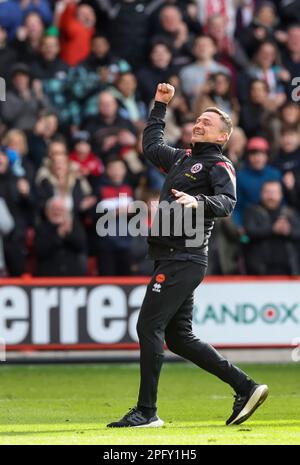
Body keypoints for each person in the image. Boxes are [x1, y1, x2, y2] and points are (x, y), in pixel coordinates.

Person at [107, 82, 268, 428]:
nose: (199, 124)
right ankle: (246, 386)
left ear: (223, 136)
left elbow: (227, 203)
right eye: (198, 120)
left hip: (185, 257)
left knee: (148, 325)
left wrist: (198, 202)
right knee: (178, 337)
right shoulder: (184, 158)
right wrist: (160, 106)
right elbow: (151, 146)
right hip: (173, 257)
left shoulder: (219, 165)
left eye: (207, 123)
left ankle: (147, 412)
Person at [243, 180, 300, 275]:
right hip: (259, 271)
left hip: (289, 270)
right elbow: (249, 232)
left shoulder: (290, 213)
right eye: (267, 192)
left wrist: (289, 230)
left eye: (274, 192)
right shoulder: (252, 211)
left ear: (281, 194)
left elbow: (298, 232)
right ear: (261, 194)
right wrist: (273, 229)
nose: (271, 196)